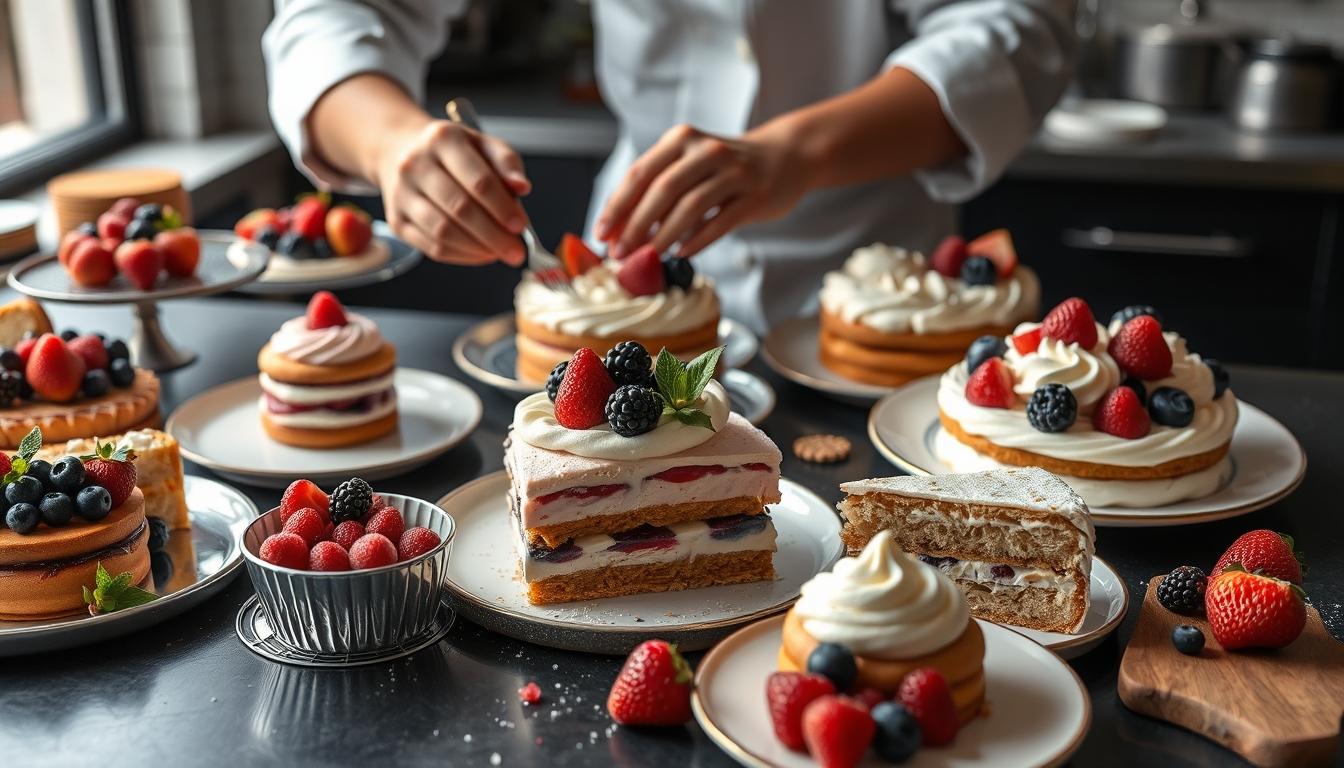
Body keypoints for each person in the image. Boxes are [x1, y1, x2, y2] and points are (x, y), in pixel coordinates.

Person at [263, 1, 1075, 333]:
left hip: (887, 301)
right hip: (616, 296)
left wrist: (797, 153)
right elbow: (338, 12)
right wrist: (392, 143)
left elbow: (1017, 27)